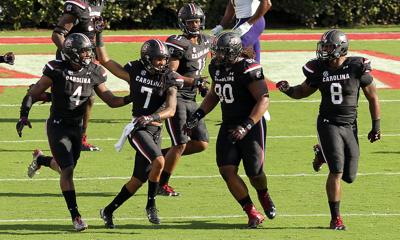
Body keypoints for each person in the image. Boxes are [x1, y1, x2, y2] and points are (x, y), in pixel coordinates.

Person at [15, 33, 131, 231]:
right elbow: (32, 93)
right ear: (72, 53)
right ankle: (76, 217)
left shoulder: (94, 71)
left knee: (64, 168)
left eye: (89, 50)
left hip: (76, 127)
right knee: (67, 170)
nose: (88, 54)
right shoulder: (57, 69)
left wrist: (132, 97)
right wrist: (23, 115)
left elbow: (111, 101)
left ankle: (41, 160)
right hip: (57, 125)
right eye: (84, 51)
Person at [276, 29, 381, 230]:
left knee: (349, 176)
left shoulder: (356, 67)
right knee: (337, 171)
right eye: (323, 46)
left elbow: (373, 97)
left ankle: (322, 153)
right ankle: (336, 219)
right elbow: (302, 92)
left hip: (350, 125)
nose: (324, 50)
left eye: (329, 46)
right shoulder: (319, 69)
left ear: (341, 48)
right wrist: (288, 90)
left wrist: (376, 126)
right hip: (328, 123)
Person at [184, 32, 276, 228]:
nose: (217, 56)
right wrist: (198, 115)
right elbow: (215, 94)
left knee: (255, 174)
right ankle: (252, 212)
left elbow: (263, 99)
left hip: (251, 125)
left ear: (233, 52)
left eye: (221, 52)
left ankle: (263, 194)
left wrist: (247, 125)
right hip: (228, 124)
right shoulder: (217, 67)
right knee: (226, 170)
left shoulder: (247, 67)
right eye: (216, 52)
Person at [95, 33, 183, 227]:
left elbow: (171, 109)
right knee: (159, 160)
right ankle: (151, 205)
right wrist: (98, 35)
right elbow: (105, 60)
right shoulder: (135, 70)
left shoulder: (169, 78)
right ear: (146, 58)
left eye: (164, 59)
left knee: (137, 180)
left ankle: (107, 211)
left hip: (155, 129)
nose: (162, 63)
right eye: (158, 59)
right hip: (138, 128)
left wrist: (152, 117)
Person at [158, 3, 211, 196]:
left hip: (192, 98)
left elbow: (201, 70)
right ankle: (161, 184)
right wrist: (194, 82)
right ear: (183, 23)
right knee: (180, 143)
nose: (195, 25)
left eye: (197, 21)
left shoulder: (206, 41)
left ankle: (155, 157)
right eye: (191, 22)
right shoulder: (178, 43)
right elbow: (170, 74)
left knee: (201, 143)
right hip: (176, 97)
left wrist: (202, 86)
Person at [52, 0, 106, 151]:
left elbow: (91, 34)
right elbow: (57, 34)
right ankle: (59, 134)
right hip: (71, 58)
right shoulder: (78, 6)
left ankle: (81, 138)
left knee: (89, 98)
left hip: (87, 57)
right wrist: (71, 56)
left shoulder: (99, 3)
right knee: (65, 98)